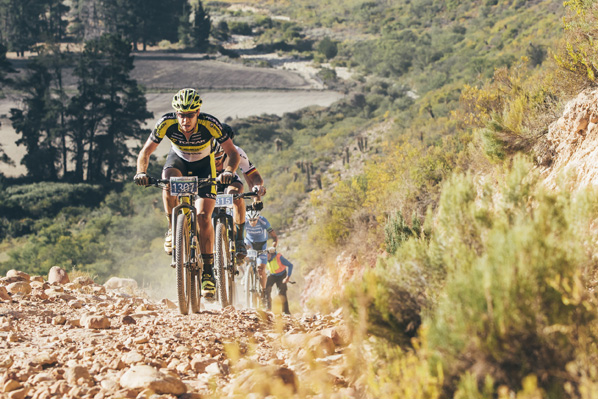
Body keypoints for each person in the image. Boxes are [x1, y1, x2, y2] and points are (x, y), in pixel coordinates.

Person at [133, 88, 240, 299]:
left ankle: (208, 274)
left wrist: (228, 171)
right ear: (176, 113)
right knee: (169, 183)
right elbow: (145, 152)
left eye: (190, 114)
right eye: (181, 114)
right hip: (178, 161)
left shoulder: (210, 124)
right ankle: (172, 230)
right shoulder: (166, 123)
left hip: (204, 166)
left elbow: (233, 153)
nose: (185, 120)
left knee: (203, 217)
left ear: (198, 112)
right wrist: (141, 172)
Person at [213, 123, 266, 260]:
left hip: (230, 181)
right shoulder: (204, 150)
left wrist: (257, 188)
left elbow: (254, 176)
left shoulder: (237, 152)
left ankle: (239, 239)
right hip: (208, 181)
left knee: (236, 195)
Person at [244, 210, 278, 295]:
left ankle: (263, 291)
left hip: (262, 245)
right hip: (249, 243)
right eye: (250, 220)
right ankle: (247, 273)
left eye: (254, 220)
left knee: (261, 269)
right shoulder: (244, 221)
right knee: (244, 249)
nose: (252, 222)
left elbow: (274, 237)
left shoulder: (263, 221)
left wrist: (273, 247)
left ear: (258, 218)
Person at [264, 246, 293, 314]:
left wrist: (287, 277)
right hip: (272, 275)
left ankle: (286, 312)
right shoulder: (265, 258)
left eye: (268, 254)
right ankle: (268, 308)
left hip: (281, 275)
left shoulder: (279, 257)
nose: (267, 256)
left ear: (271, 254)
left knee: (282, 293)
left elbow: (290, 265)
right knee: (266, 289)